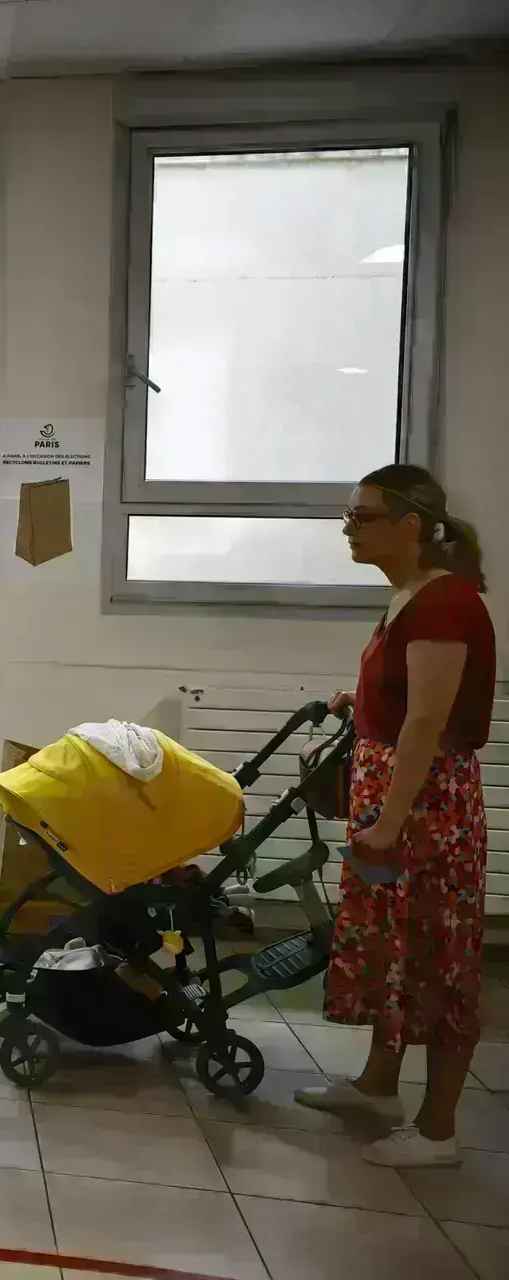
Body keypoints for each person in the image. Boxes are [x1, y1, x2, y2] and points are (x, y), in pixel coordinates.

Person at [295, 464, 493, 1169]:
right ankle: (379, 1086)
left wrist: (387, 823)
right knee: (395, 950)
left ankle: (438, 1131)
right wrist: (364, 704)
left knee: (439, 958)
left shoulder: (444, 603)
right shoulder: (410, 595)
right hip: (395, 792)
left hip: (425, 807)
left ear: (411, 524)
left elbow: (428, 724)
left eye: (363, 516)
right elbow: (410, 697)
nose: (349, 527)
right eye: (348, 515)